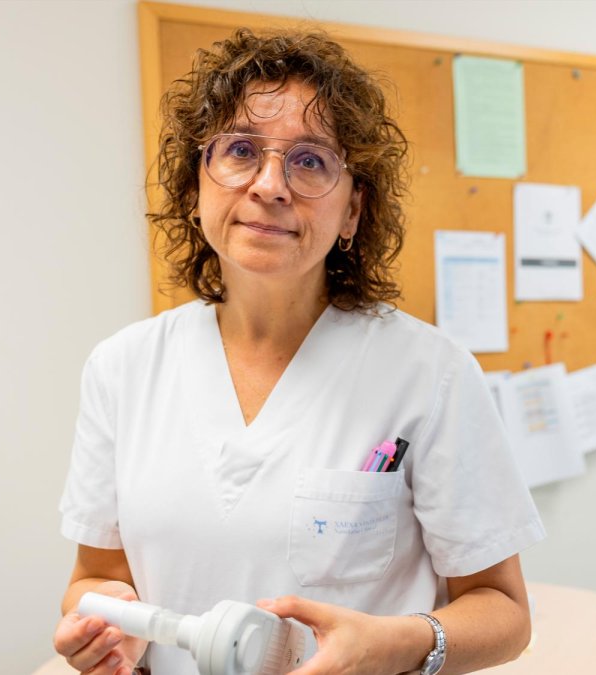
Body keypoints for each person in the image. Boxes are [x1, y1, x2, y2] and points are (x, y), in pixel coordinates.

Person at [53, 28, 545, 675]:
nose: (270, 184)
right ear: (195, 183)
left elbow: (503, 611)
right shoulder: (123, 368)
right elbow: (93, 578)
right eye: (240, 150)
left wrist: (393, 643)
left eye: (310, 160)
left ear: (351, 210)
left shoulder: (429, 372)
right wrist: (103, 623)